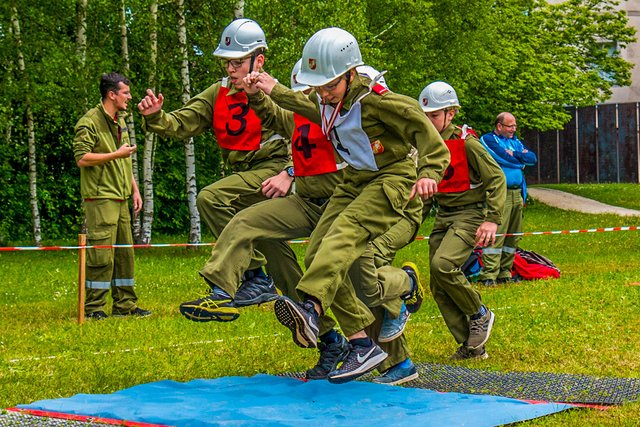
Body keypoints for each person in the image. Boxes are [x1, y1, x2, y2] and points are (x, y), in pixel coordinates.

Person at [249, 27, 450, 383]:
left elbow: (425, 132)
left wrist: (428, 171)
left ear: (350, 74)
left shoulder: (378, 101)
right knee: (316, 254)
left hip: (391, 178)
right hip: (355, 178)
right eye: (320, 87)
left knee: (345, 233)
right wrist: (271, 89)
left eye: (331, 86)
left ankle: (310, 307)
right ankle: (361, 343)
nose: (324, 94)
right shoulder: (325, 100)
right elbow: (305, 105)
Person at [137, 18, 293, 305]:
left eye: (237, 62)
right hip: (243, 179)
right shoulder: (217, 92)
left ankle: (261, 279)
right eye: (226, 62)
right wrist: (155, 116)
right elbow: (181, 122)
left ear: (258, 60)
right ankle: (267, 283)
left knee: (211, 199)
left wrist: (290, 173)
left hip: (272, 173)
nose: (230, 69)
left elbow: (306, 135)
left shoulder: (276, 92)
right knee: (271, 249)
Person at [418, 81, 506, 359]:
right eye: (425, 115)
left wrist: (492, 219)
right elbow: (426, 192)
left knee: (443, 265)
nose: (429, 120)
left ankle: (480, 313)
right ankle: (471, 346)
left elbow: (497, 178)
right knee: (437, 283)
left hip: (470, 215)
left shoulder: (468, 143)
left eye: (434, 115)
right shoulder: (426, 146)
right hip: (443, 215)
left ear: (451, 113)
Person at [73, 72, 151, 320]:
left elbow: (124, 160)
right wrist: (115, 155)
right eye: (125, 93)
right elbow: (82, 158)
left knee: (124, 254)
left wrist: (135, 190)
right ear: (112, 94)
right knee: (101, 254)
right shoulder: (89, 122)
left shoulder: (122, 120)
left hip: (121, 196)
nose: (129, 97)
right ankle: (94, 308)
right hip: (100, 197)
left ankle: (125, 306)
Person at [477, 112, 537, 286]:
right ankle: (489, 274)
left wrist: (515, 154)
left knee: (513, 235)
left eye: (515, 126)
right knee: (497, 233)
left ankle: (505, 272)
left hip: (517, 193)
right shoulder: (489, 139)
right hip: (500, 193)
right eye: (510, 126)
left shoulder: (515, 142)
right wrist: (519, 158)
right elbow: (503, 157)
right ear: (499, 126)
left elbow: (532, 158)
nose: (513, 129)